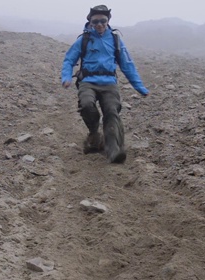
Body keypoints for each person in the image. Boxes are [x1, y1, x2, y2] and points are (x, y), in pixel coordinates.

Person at [61, 5, 149, 163]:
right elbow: (69, 60)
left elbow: (127, 65)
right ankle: (94, 132)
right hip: (87, 81)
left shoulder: (115, 40)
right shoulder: (84, 39)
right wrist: (66, 77)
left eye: (103, 20)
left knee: (111, 110)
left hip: (109, 83)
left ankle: (113, 149)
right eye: (96, 21)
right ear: (90, 22)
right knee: (87, 105)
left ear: (108, 21)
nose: (100, 24)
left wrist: (140, 87)